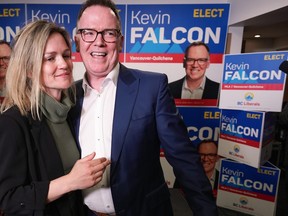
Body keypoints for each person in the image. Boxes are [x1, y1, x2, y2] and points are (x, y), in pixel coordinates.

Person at [70, 0, 218, 215]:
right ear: (77, 40)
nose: (99, 42)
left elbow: (184, 158)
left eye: (109, 33)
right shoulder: (67, 97)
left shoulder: (152, 87)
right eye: (89, 33)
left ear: (120, 41)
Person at [0, 20, 110, 215]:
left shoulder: (70, 112)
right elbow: (9, 200)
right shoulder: (13, 122)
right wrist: (70, 181)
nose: (63, 64)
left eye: (66, 55)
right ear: (29, 69)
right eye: (50, 58)